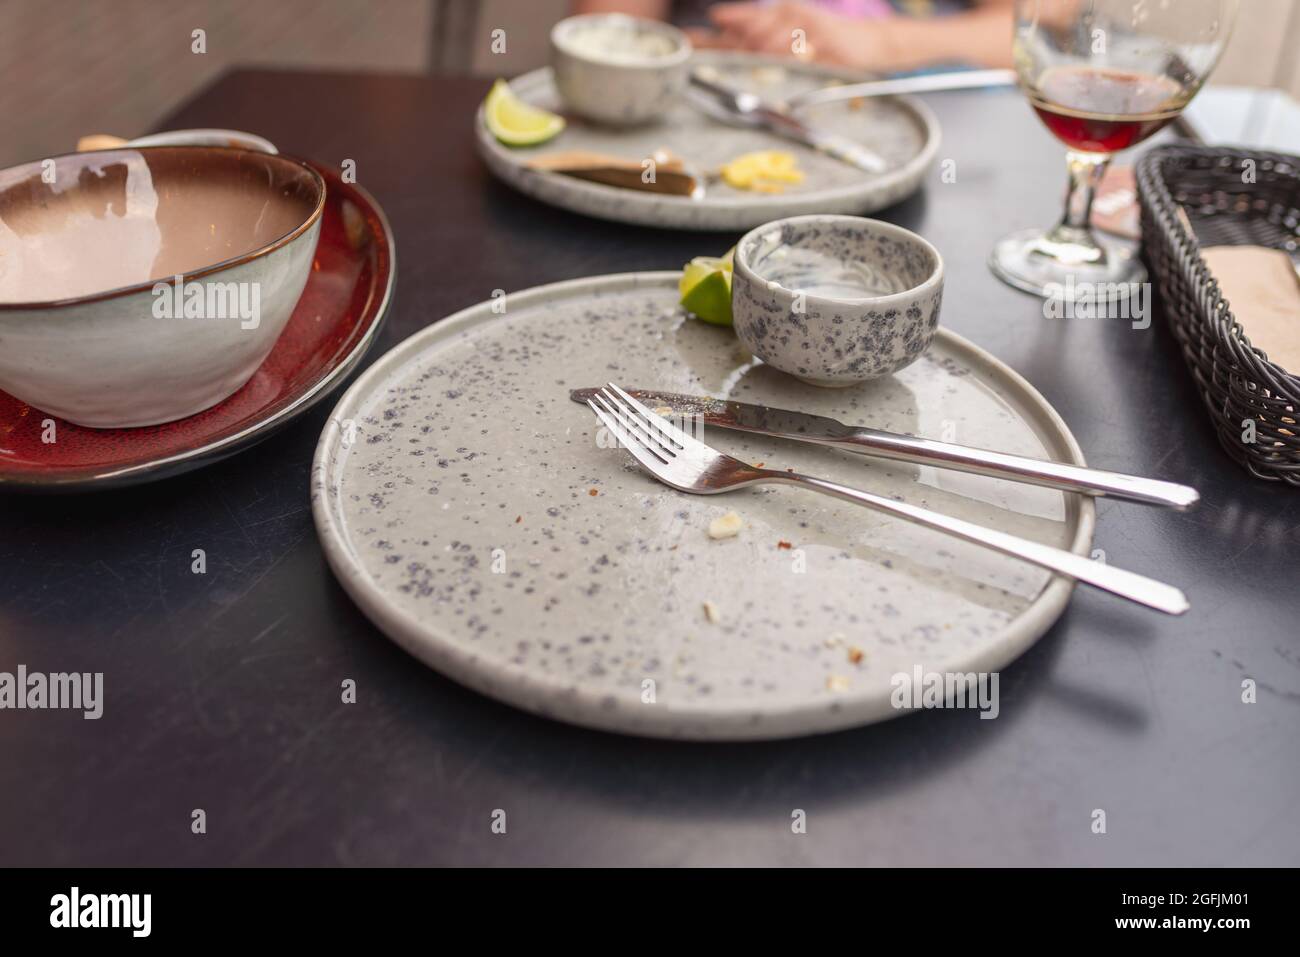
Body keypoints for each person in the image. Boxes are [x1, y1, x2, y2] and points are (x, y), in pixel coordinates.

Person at [571, 0, 1014, 74]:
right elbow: (603, 41)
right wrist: (696, 51)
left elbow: (1039, 32)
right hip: (718, 124)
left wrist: (880, 44)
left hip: (941, 153)